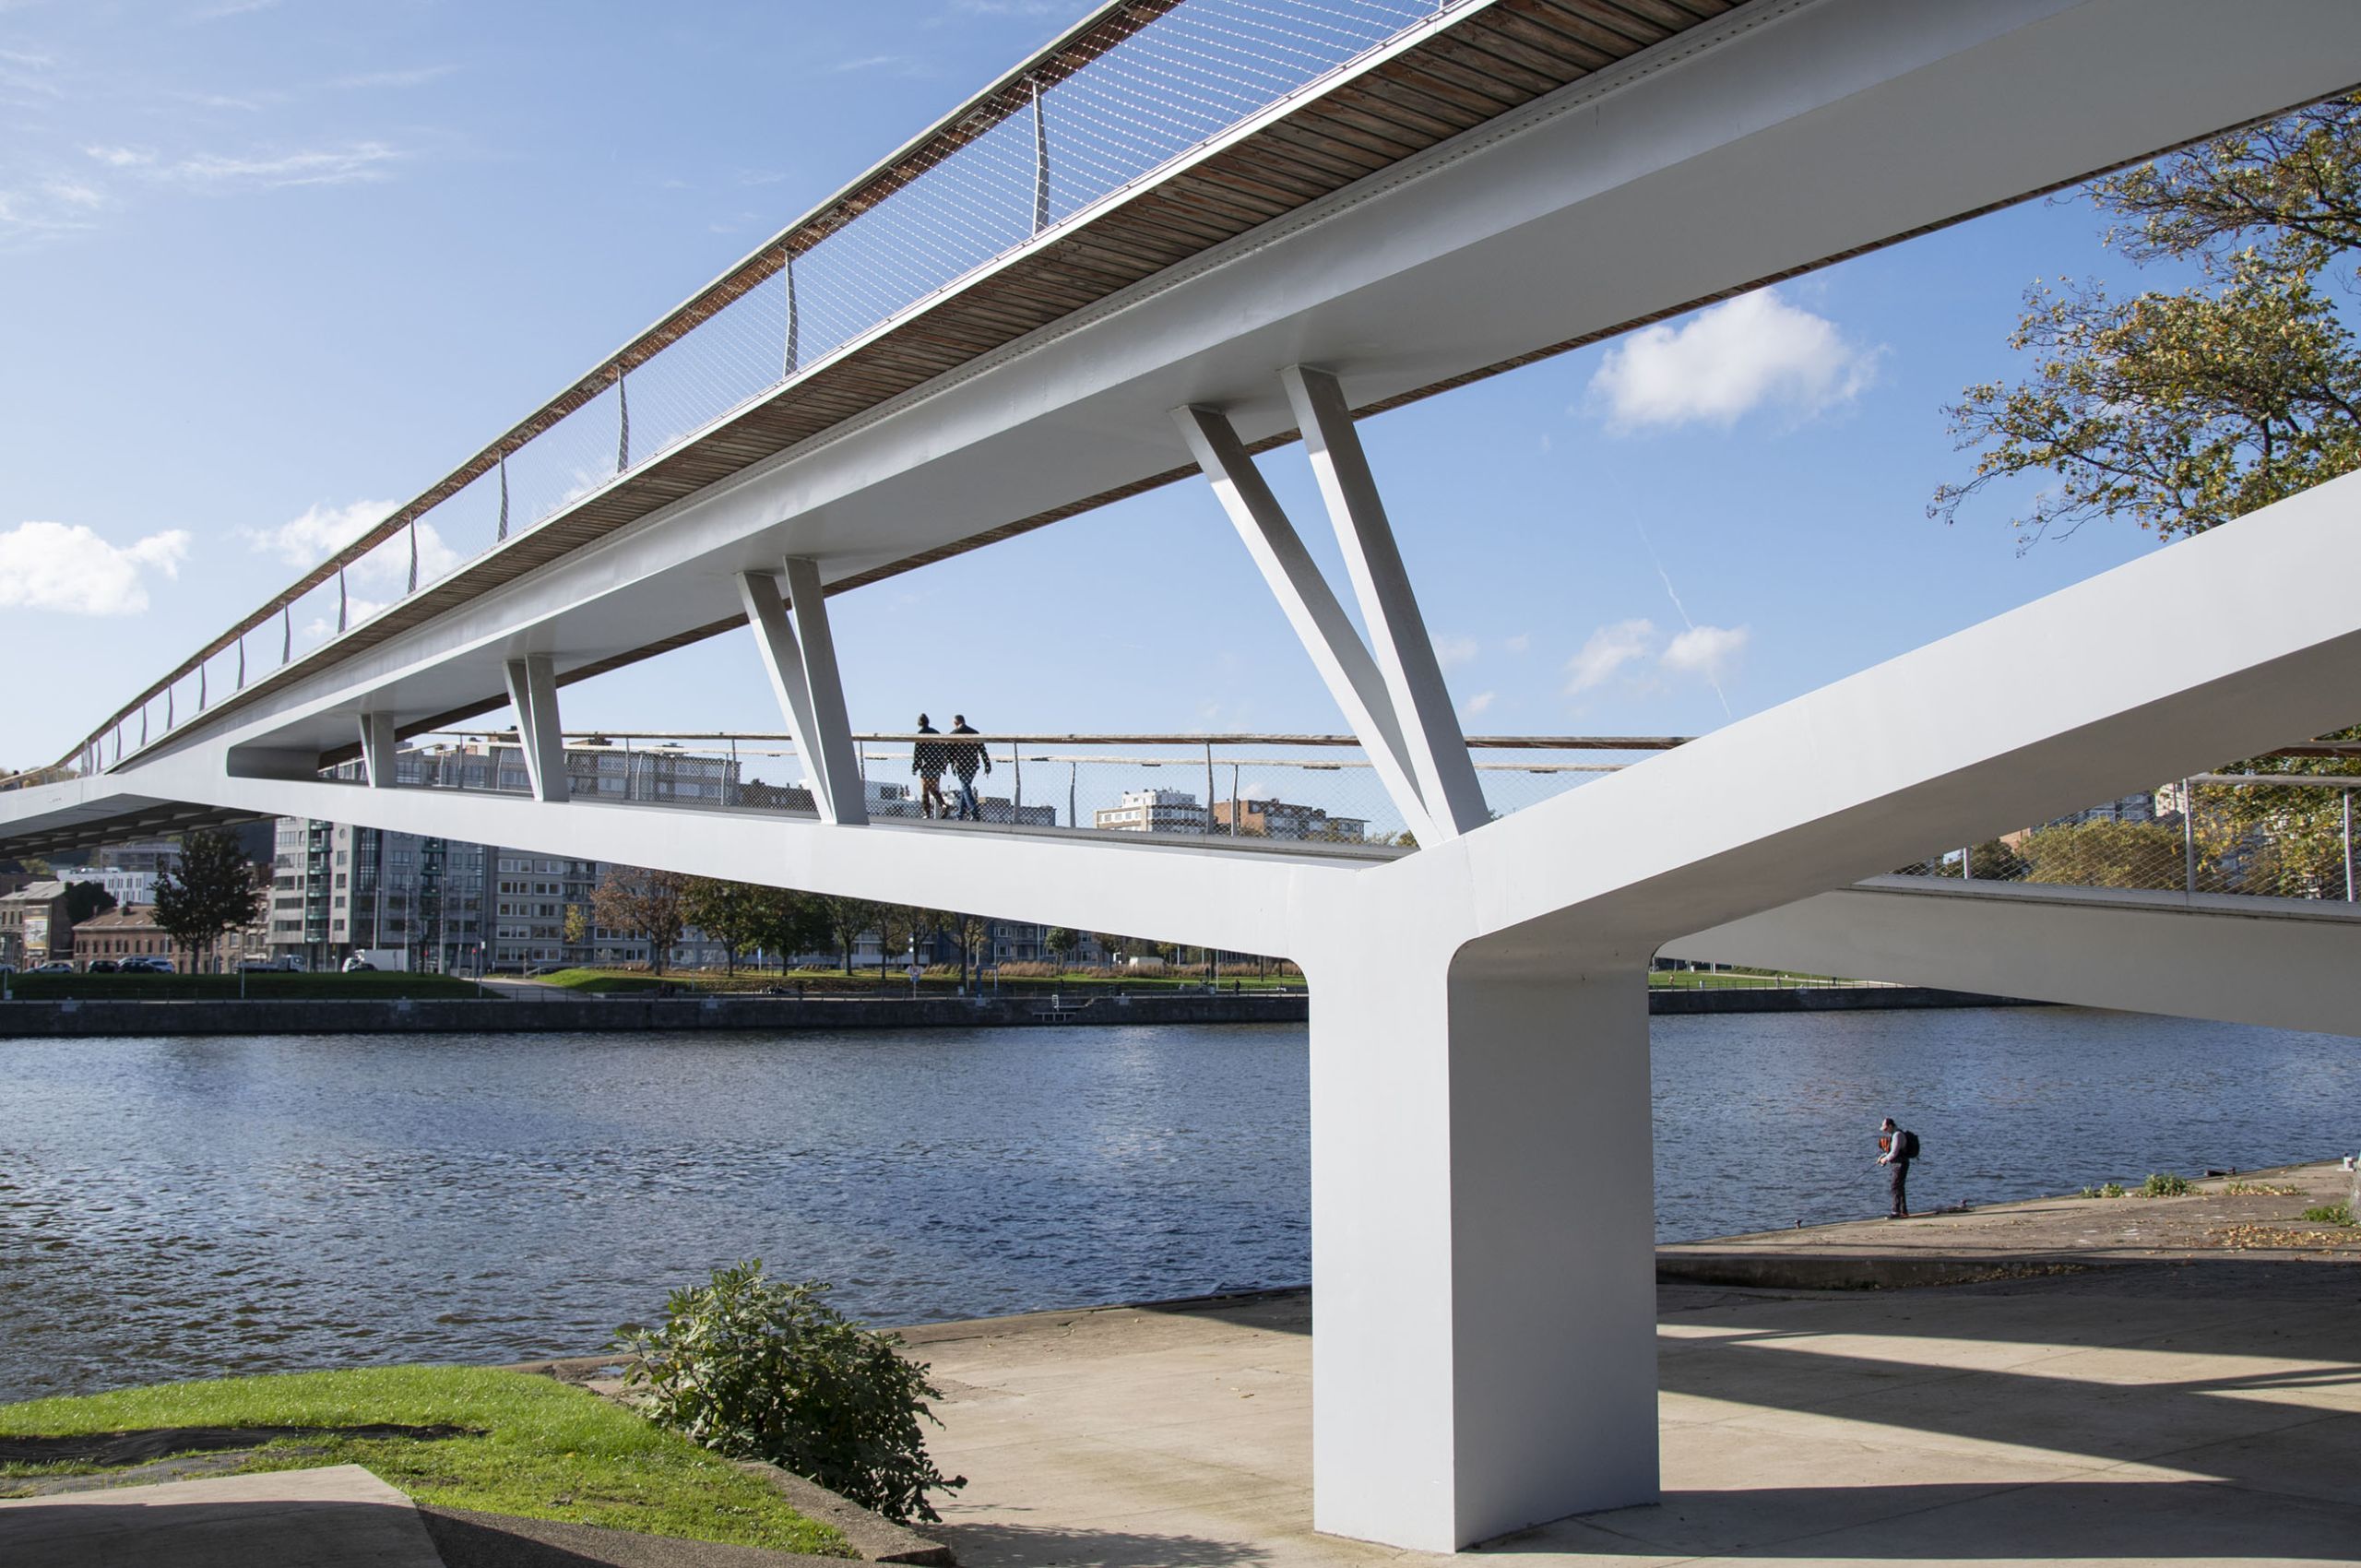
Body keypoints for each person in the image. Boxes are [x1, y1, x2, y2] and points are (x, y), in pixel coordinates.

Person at [947, 714, 992, 821]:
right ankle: (960, 813)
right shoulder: (975, 733)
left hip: (961, 765)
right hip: (973, 765)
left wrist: (951, 763)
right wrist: (987, 765)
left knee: (966, 788)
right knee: (965, 787)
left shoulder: (954, 734)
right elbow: (982, 751)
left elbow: (949, 752)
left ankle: (974, 812)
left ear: (955, 723)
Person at [911, 714, 948, 819]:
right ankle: (943, 805)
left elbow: (917, 753)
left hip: (927, 764)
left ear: (919, 723)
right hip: (937, 764)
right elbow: (943, 749)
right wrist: (943, 765)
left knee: (924, 788)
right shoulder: (936, 733)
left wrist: (915, 766)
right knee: (933, 787)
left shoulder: (921, 734)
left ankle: (927, 813)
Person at [1876, 1115, 1912, 1219]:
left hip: (1901, 1164)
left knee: (1895, 1186)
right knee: (1899, 1187)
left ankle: (1895, 1212)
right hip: (1898, 1164)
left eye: (1886, 1129)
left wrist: (1885, 1159)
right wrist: (1882, 1157)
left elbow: (1894, 1153)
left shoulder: (1897, 1135)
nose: (1885, 1131)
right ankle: (1903, 1211)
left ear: (1891, 1126)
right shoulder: (1894, 1134)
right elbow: (1891, 1152)